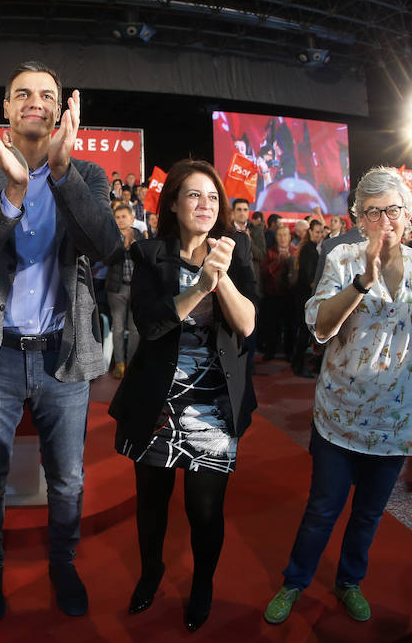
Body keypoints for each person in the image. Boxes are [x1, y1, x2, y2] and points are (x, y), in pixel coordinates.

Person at [0, 60, 119, 622]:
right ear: (6, 107)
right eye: (22, 93)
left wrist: (61, 174)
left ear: (62, 108)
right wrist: (13, 194)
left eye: (47, 94)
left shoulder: (87, 174)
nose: (35, 102)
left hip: (61, 357)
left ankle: (62, 564)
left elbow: (106, 245)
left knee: (67, 479)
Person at [264, 166, 412, 624]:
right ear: (359, 219)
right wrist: (362, 282)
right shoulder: (344, 258)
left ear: (408, 216)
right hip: (341, 415)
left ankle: (349, 581)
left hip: (397, 420)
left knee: (369, 514)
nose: (383, 221)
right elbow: (320, 327)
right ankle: (295, 581)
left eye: (392, 210)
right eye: (372, 212)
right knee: (322, 509)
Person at [109, 159, 256, 632]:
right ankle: (151, 573)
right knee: (151, 503)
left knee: (205, 510)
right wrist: (199, 286)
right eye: (194, 195)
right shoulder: (149, 254)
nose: (205, 204)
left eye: (212, 197)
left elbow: (247, 324)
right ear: (173, 203)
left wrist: (221, 275)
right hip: (157, 399)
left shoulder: (237, 249)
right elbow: (150, 324)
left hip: (214, 405)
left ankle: (203, 585)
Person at [105, 204, 143, 379]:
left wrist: (133, 245)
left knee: (135, 329)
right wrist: (123, 246)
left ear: (132, 218)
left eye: (124, 216)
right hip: (116, 288)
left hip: (137, 288)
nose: (120, 220)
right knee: (118, 327)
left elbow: (146, 259)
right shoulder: (111, 236)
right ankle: (120, 363)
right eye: (117, 217)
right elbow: (106, 259)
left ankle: (132, 362)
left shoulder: (140, 235)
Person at [291, 219, 324, 377]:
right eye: (317, 232)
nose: (319, 235)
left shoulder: (310, 248)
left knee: (303, 332)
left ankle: (297, 363)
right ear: (310, 232)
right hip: (305, 296)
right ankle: (298, 365)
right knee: (303, 332)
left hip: (305, 295)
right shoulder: (308, 249)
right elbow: (307, 276)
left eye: (321, 232)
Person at [260, 224, 296, 361]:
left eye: (285, 235)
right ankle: (270, 352)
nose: (282, 238)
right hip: (273, 295)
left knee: (290, 326)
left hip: (291, 295)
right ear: (276, 237)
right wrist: (277, 262)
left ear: (290, 237)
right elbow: (263, 272)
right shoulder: (270, 252)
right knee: (272, 326)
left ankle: (289, 353)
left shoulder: (295, 251)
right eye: (280, 235)